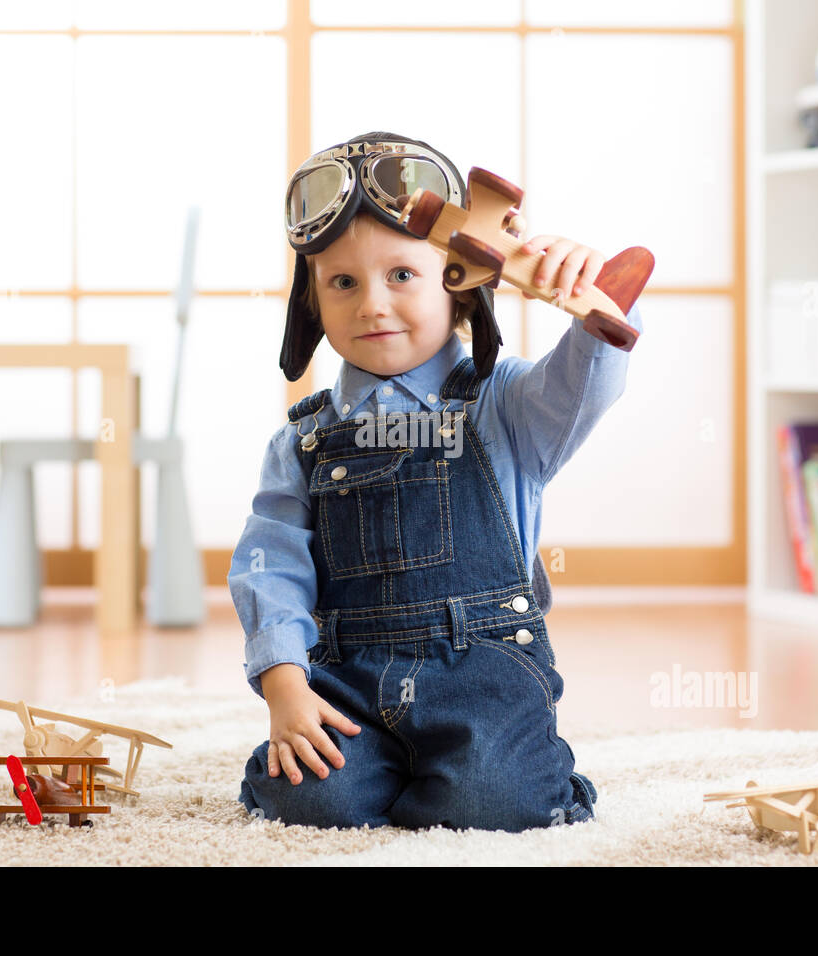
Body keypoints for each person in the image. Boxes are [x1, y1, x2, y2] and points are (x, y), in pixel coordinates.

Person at [228, 131, 642, 831]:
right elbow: (269, 567)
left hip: (483, 677)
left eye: (401, 275)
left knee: (492, 800)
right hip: (350, 679)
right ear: (312, 303)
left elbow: (586, 388)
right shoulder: (299, 442)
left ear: (460, 286)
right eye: (343, 282)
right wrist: (284, 684)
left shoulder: (507, 406)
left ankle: (483, 774)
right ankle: (398, 775)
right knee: (308, 799)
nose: (371, 305)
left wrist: (590, 301)